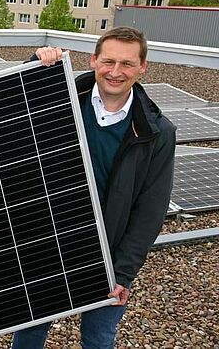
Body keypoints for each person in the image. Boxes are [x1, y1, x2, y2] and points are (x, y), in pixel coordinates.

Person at [12, 26, 176, 348]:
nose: (116, 72)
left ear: (143, 67)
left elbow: (150, 211)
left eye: (127, 64)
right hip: (50, 245)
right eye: (108, 61)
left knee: (99, 338)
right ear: (93, 61)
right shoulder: (62, 99)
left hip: (108, 256)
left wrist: (122, 273)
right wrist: (33, 67)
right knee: (30, 332)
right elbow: (7, 119)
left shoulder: (157, 132)